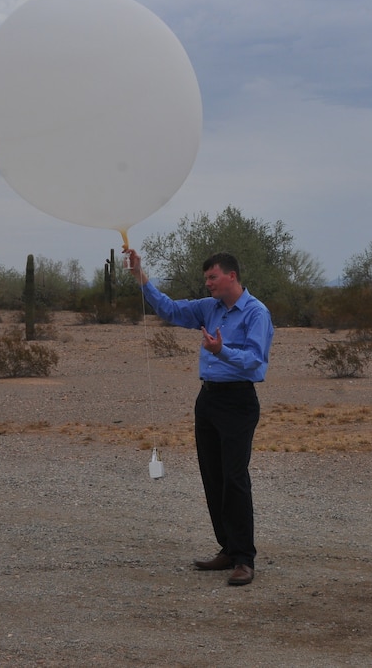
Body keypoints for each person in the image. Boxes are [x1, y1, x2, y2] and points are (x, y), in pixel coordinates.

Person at [122, 247, 274, 587]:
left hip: (238, 401)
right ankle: (228, 548)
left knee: (235, 478)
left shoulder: (256, 313)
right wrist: (141, 277)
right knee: (213, 476)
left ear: (231, 276)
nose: (207, 284)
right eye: (206, 278)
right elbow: (170, 310)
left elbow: (255, 362)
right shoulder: (210, 308)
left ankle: (245, 559)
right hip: (208, 399)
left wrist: (222, 351)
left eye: (212, 277)